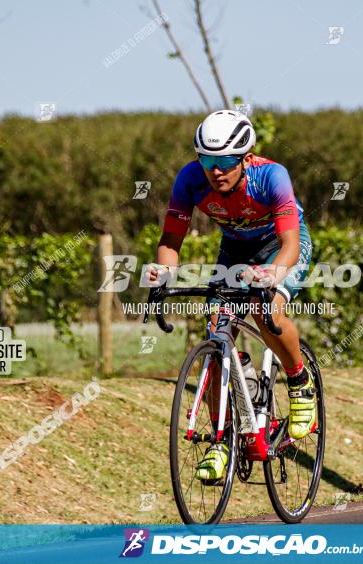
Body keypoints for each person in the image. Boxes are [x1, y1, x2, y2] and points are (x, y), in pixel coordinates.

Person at [146, 110, 315, 481]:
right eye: (207, 160)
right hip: (236, 251)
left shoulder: (271, 176)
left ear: (246, 158)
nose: (215, 170)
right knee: (217, 332)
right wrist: (163, 274)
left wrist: (273, 274)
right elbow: (171, 240)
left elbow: (289, 243)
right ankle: (221, 439)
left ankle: (300, 383)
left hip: (282, 245)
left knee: (265, 309)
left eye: (224, 161)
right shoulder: (190, 180)